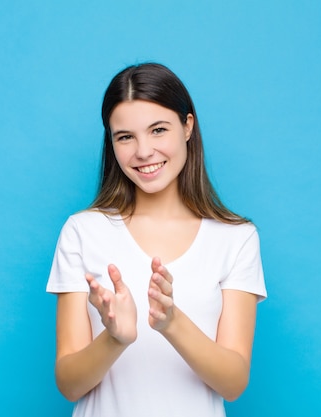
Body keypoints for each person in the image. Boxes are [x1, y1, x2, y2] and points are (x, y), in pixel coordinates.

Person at [47, 63, 267, 417]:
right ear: (113, 143)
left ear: (187, 126)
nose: (144, 151)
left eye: (158, 130)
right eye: (125, 137)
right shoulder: (82, 231)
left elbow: (234, 382)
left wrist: (171, 322)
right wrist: (114, 338)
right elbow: (69, 384)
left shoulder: (236, 238)